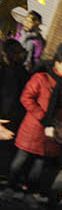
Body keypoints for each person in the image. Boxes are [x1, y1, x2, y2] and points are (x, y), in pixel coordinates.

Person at [7, 42, 62, 205]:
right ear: (58, 63)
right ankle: (11, 187)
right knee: (21, 159)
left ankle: (29, 191)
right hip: (33, 127)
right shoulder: (41, 78)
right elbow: (26, 98)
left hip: (51, 132)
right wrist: (42, 116)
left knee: (40, 164)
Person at [0, 38, 28, 176]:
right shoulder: (3, 70)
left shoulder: (22, 73)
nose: (22, 55)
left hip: (11, 119)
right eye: (17, 52)